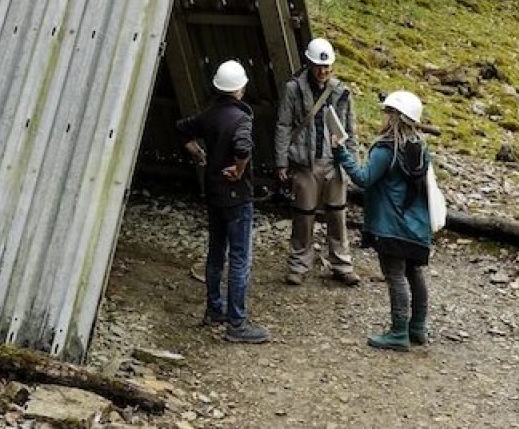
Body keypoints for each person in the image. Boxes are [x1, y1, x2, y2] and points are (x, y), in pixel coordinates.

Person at [178, 59, 270, 344]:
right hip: (236, 197)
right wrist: (240, 169)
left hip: (214, 194)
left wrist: (196, 151)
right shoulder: (242, 118)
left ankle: (214, 309)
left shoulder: (210, 114)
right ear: (240, 88)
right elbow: (243, 147)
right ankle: (237, 323)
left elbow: (182, 128)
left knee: (216, 253)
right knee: (240, 258)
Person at [333, 90, 433, 351]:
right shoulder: (421, 148)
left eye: (388, 112)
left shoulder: (387, 149)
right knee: (414, 273)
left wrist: (341, 152)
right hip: (417, 225)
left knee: (395, 275)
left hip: (391, 225)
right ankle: (418, 328)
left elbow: (364, 178)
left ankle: (398, 332)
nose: (385, 116)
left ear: (396, 117)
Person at [275, 37, 359, 286]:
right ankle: (299, 264)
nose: (323, 71)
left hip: (335, 162)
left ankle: (342, 264)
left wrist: (352, 164)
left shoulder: (342, 91)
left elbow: (351, 130)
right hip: (304, 163)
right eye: (318, 66)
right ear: (309, 64)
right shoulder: (293, 89)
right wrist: (281, 162)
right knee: (303, 215)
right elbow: (283, 125)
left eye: (327, 66)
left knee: (337, 215)